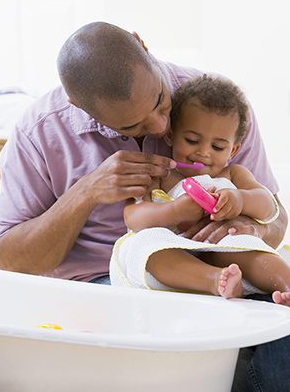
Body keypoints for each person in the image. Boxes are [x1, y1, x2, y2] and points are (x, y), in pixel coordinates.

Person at [0, 21, 288, 390]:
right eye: (133, 125)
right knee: (163, 310)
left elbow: (274, 216)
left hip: (216, 261)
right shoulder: (38, 133)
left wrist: (250, 229)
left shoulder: (216, 107)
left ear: (142, 44)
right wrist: (86, 192)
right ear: (79, 107)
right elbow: (9, 259)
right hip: (107, 282)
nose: (163, 126)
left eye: (162, 102)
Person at [110, 75, 290, 305]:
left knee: (246, 245)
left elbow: (268, 206)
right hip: (177, 253)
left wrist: (241, 200)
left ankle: (286, 284)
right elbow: (133, 216)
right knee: (142, 245)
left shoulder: (234, 174)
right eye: (192, 140)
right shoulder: (159, 176)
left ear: (233, 150)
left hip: (224, 247)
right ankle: (215, 280)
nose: (204, 152)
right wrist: (174, 211)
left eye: (217, 147)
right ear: (171, 136)